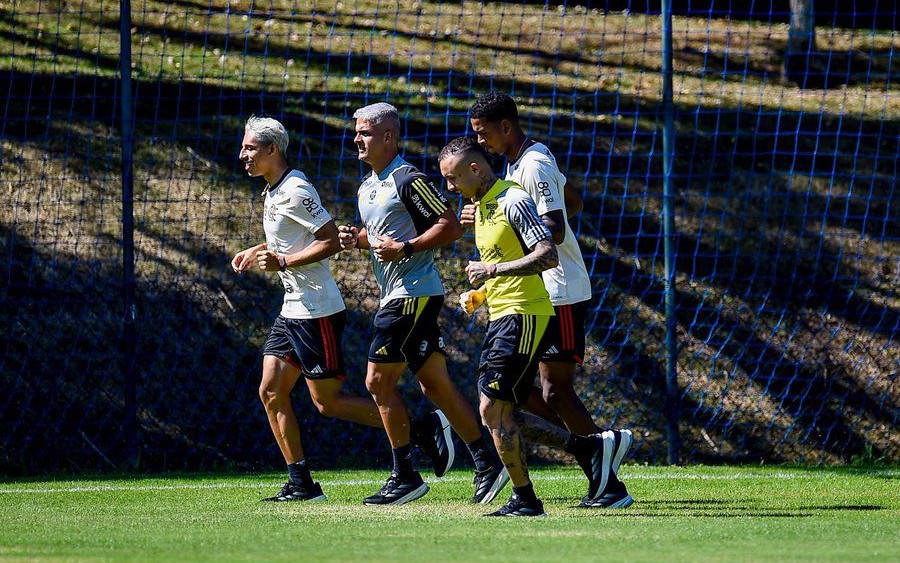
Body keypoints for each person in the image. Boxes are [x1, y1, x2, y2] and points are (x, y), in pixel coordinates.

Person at [231, 116, 447, 503]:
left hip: (317, 312)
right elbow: (291, 244)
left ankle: (418, 430)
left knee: (327, 403)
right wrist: (259, 251)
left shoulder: (296, 189)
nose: (242, 155)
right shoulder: (273, 190)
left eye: (249, 148)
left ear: (271, 150)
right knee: (270, 391)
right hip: (291, 310)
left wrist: (281, 262)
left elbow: (330, 240)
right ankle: (302, 483)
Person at [464, 92, 633, 508]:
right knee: (517, 393)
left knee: (553, 392)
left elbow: (554, 230)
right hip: (537, 291)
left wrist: (506, 216)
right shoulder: (520, 163)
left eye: (484, 134)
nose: (481, 142)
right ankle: (595, 452)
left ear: (506, 127)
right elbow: (571, 199)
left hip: (559, 289)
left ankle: (604, 472)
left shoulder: (534, 163)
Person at [337, 103, 508, 506]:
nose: (357, 139)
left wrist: (407, 247)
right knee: (435, 385)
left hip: (412, 294)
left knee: (377, 383)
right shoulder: (368, 186)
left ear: (388, 137)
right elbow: (387, 237)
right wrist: (358, 239)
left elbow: (448, 225)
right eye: (356, 132)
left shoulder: (407, 179)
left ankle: (406, 476)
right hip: (401, 294)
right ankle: (488, 463)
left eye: (364, 132)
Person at [439, 136, 564, 517]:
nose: (450, 187)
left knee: (493, 406)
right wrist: (483, 294)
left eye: (452, 178)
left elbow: (547, 253)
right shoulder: (482, 206)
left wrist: (492, 270)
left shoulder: (512, 199)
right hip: (503, 313)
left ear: (475, 169)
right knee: (495, 409)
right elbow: (504, 259)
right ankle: (585, 453)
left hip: (525, 313)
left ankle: (529, 496)